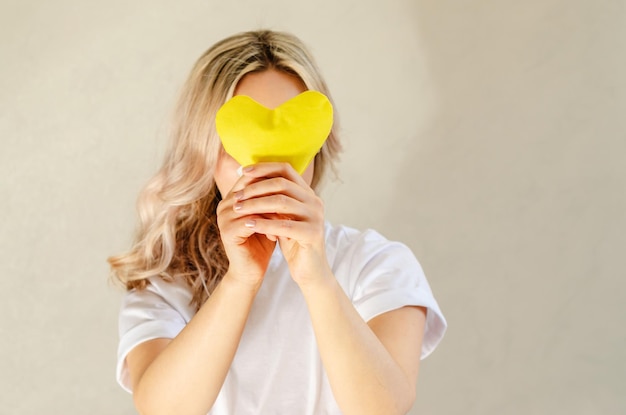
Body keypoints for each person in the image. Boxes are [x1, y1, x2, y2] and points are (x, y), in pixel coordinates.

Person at [109, 29, 447, 415]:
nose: (268, 167)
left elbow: (383, 408)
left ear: (319, 146)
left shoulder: (378, 264)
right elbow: (163, 410)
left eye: (290, 138)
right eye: (242, 140)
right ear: (203, 154)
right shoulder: (164, 283)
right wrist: (241, 281)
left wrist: (315, 278)